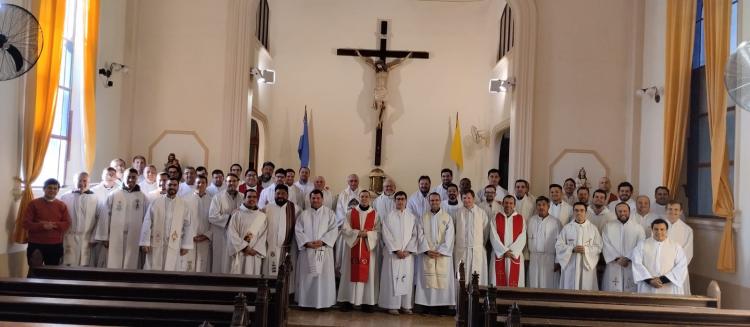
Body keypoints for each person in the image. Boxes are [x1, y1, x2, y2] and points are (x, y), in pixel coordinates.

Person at [95, 169, 147, 269]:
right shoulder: (114, 195)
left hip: (134, 237)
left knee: (131, 262)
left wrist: (143, 240)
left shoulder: (142, 197)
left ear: (137, 179)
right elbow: (105, 216)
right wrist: (104, 237)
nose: (131, 179)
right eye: (128, 177)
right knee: (114, 262)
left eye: (133, 177)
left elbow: (146, 219)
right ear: (123, 178)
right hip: (115, 236)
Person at [295, 189, 339, 309]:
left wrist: (323, 241)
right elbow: (298, 230)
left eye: (318, 198)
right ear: (310, 199)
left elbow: (334, 229)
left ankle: (324, 303)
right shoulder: (304, 214)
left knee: (323, 277)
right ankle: (306, 302)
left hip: (323, 250)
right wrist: (307, 243)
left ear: (322, 199)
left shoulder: (329, 213)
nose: (315, 200)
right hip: (307, 250)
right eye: (313, 198)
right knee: (307, 276)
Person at [338, 190, 380, 312]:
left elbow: (379, 231)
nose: (364, 198)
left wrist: (368, 234)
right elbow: (344, 229)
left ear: (370, 198)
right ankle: (347, 300)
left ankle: (367, 302)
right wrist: (357, 233)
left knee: (369, 275)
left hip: (368, 248)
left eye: (367, 196)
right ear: (359, 198)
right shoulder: (350, 213)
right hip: (352, 248)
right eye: (362, 196)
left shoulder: (375, 214)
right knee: (349, 273)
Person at [139, 177, 193, 271]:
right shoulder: (156, 202)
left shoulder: (184, 205)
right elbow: (147, 222)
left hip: (174, 243)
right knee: (154, 267)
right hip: (156, 242)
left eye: (174, 185)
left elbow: (188, 225)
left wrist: (186, 245)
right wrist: (145, 242)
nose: (172, 187)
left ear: (178, 187)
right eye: (169, 185)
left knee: (172, 268)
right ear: (165, 186)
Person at [378, 191, 418, 315]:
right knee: (392, 279)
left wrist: (408, 251)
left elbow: (415, 235)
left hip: (407, 255)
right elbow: (386, 235)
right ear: (394, 201)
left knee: (406, 279)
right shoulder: (388, 216)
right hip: (393, 255)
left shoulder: (412, 217)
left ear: (406, 201)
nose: (400, 201)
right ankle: (392, 305)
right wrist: (396, 250)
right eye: (398, 199)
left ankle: (405, 305)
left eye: (402, 199)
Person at [415, 193, 455, 312]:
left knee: (442, 280)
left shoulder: (447, 217)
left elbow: (450, 236)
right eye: (432, 200)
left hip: (442, 256)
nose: (434, 202)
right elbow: (420, 235)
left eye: (436, 200)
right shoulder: (423, 217)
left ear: (440, 201)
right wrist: (427, 250)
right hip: (428, 254)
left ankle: (442, 307)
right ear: (428, 201)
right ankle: (426, 306)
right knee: (427, 280)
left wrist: (441, 251)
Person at [632, 218, 688, 295]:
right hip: (648, 286)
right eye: (656, 229)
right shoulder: (642, 245)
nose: (659, 232)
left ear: (666, 230)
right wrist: (650, 280)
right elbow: (636, 263)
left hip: (669, 287)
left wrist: (662, 280)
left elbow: (681, 266)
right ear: (652, 230)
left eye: (662, 229)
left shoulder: (676, 246)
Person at [23, 178, 71, 266]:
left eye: (55, 188)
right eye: (49, 188)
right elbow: (26, 223)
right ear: (44, 189)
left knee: (53, 274)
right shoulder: (33, 204)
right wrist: (42, 226)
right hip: (36, 244)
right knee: (35, 273)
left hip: (55, 245)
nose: (52, 190)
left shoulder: (62, 205)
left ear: (58, 190)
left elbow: (67, 223)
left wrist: (54, 225)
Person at [556, 202, 602, 290]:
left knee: (586, 288)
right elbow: (558, 245)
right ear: (573, 212)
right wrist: (571, 249)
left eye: (582, 210)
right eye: (576, 210)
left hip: (586, 265)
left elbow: (598, 247)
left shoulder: (593, 228)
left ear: (586, 212)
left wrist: (586, 250)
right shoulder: (567, 228)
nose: (579, 213)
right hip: (570, 265)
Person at [601, 202, 645, 292]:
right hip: (614, 264)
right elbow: (606, 244)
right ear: (616, 212)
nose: (622, 213)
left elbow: (641, 246)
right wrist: (617, 259)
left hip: (631, 264)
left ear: (629, 212)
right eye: (620, 211)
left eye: (625, 211)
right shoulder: (608, 226)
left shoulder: (638, 228)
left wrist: (628, 258)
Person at [262, 184, 300, 280]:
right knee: (269, 275)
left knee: (287, 277)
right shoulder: (267, 208)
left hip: (288, 249)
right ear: (274, 194)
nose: (280, 196)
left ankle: (286, 294)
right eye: (278, 193)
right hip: (270, 248)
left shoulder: (295, 209)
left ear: (287, 195)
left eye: (283, 193)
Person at [60, 172, 99, 267]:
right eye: (79, 180)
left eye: (85, 180)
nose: (82, 183)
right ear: (74, 182)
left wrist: (94, 237)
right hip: (69, 237)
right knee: (68, 265)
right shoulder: (65, 197)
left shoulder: (95, 198)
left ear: (89, 182)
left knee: (84, 265)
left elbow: (98, 218)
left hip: (87, 239)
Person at [208, 173, 243, 273]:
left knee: (235, 264)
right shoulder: (217, 197)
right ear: (225, 183)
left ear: (238, 183)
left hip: (237, 236)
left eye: (234, 181)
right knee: (221, 263)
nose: (231, 183)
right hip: (222, 235)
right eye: (229, 181)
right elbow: (212, 216)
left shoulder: (243, 197)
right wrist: (230, 217)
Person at [489, 195, 527, 287]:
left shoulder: (520, 218)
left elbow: (522, 237)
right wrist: (503, 251)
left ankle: (514, 301)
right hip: (499, 254)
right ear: (502, 204)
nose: (508, 205)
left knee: (514, 283)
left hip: (514, 255)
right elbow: (493, 235)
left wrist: (512, 252)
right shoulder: (496, 217)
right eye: (506, 203)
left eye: (511, 203)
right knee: (497, 282)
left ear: (514, 205)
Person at [228, 189, 267, 275]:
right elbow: (232, 234)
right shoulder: (237, 215)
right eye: (249, 197)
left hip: (254, 254)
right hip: (240, 253)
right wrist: (245, 247)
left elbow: (264, 236)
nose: (252, 199)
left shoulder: (262, 216)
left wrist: (255, 250)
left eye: (254, 197)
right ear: (244, 199)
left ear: (257, 199)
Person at [453, 190, 489, 285]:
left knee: (476, 278)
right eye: (464, 198)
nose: (467, 200)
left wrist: (479, 244)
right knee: (461, 278)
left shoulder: (481, 213)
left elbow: (485, 231)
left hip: (476, 250)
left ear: (473, 199)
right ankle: (461, 298)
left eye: (469, 198)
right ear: (461, 199)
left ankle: (476, 299)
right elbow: (454, 230)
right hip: (461, 250)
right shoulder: (457, 213)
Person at [526, 196, 562, 289]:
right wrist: (527, 257)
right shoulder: (531, 221)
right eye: (539, 205)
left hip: (550, 259)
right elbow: (526, 240)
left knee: (549, 284)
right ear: (536, 206)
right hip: (534, 258)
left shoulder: (556, 222)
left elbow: (560, 243)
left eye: (543, 205)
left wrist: (558, 261)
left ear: (548, 206)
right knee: (534, 283)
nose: (541, 207)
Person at [183, 175, 214, 272]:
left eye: (203, 183)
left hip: (204, 239)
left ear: (206, 184)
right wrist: (189, 235)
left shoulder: (212, 200)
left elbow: (213, 221)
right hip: (189, 239)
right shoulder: (185, 199)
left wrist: (206, 235)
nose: (200, 185)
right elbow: (182, 220)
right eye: (198, 182)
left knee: (202, 266)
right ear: (194, 184)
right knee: (188, 266)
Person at [90, 167, 118, 267]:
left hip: (113, 227)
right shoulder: (93, 191)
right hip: (96, 226)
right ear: (102, 176)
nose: (110, 176)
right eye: (107, 174)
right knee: (96, 255)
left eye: (112, 174)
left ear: (116, 177)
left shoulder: (119, 191)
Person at [664, 201, 693, 294]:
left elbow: (688, 252)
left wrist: (676, 268)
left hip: (679, 269)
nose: (673, 212)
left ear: (681, 212)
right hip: (661, 268)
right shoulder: (658, 226)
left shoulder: (687, 230)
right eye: (670, 209)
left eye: (676, 210)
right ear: (666, 210)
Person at [335, 174, 361, 274]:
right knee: (343, 254)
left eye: (355, 181)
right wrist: (347, 225)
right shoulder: (343, 194)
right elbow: (339, 211)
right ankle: (341, 276)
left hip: (358, 229)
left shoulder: (363, 193)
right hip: (345, 229)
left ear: (358, 182)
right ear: (348, 182)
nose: (353, 183)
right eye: (351, 181)